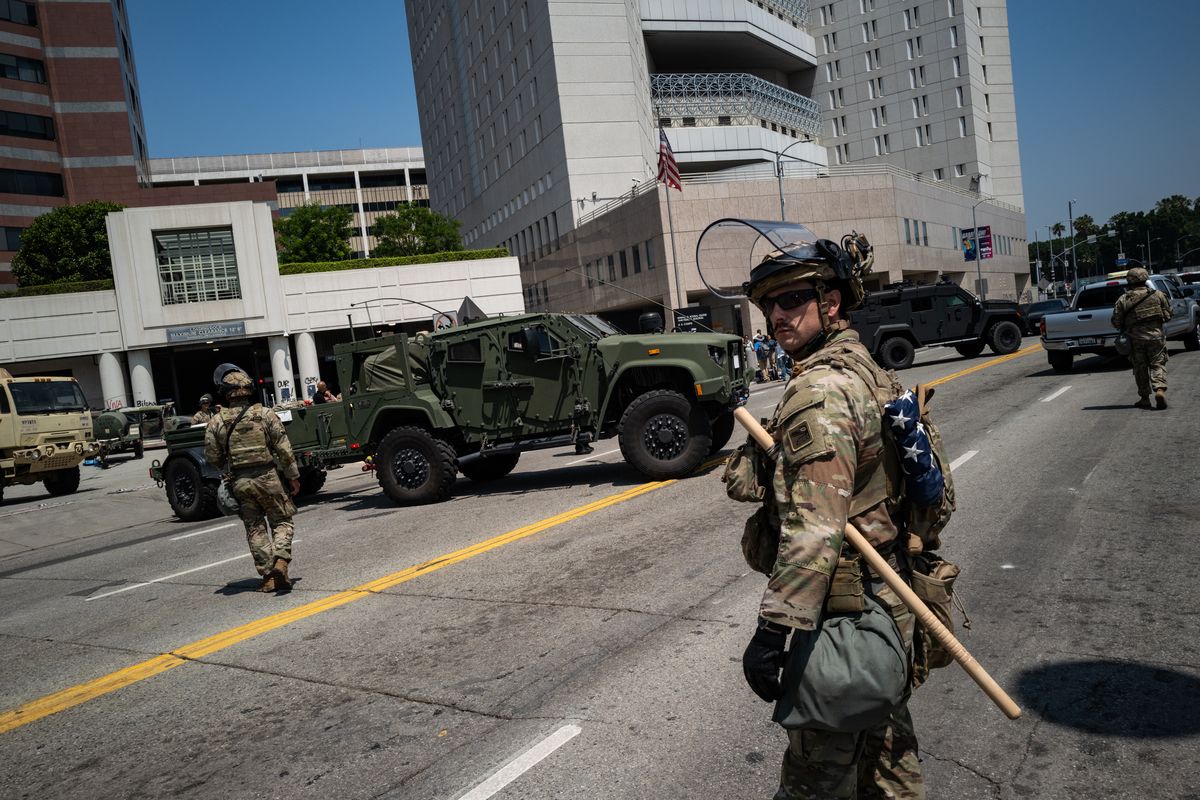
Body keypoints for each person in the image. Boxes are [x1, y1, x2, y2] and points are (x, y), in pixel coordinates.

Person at [730, 234, 925, 799]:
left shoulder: (823, 387)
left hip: (848, 616)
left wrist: (771, 633)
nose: (776, 316)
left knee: (817, 779)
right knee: (887, 765)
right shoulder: (863, 367)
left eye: (791, 300)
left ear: (831, 303)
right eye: (768, 305)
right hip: (888, 600)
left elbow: (815, 524)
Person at [204, 364, 301, 593]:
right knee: (282, 521)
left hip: (240, 482)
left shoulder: (217, 421)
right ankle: (281, 561)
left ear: (225, 392)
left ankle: (268, 577)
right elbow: (283, 449)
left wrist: (229, 466)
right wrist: (293, 477)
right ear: (247, 389)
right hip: (267, 477)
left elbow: (212, 456)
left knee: (255, 528)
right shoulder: (265, 414)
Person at [1111, 267, 1172, 409]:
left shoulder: (1124, 299)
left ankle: (1145, 398)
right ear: (1145, 279)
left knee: (1140, 368)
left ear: (1129, 281)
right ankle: (1160, 390)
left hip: (1135, 340)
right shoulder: (1158, 295)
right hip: (1156, 337)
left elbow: (1116, 322)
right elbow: (1168, 315)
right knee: (1158, 364)